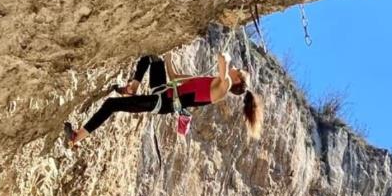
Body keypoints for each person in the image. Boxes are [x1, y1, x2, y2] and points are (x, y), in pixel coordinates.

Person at [65, 52, 263, 145]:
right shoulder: (213, 80)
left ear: (236, 79)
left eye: (237, 70)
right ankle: (132, 87)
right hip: (162, 89)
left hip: (162, 103)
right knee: (152, 56)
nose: (234, 67)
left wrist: (227, 59)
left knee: (111, 105)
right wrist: (168, 57)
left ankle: (77, 137)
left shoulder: (223, 87)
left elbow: (222, 58)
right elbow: (175, 76)